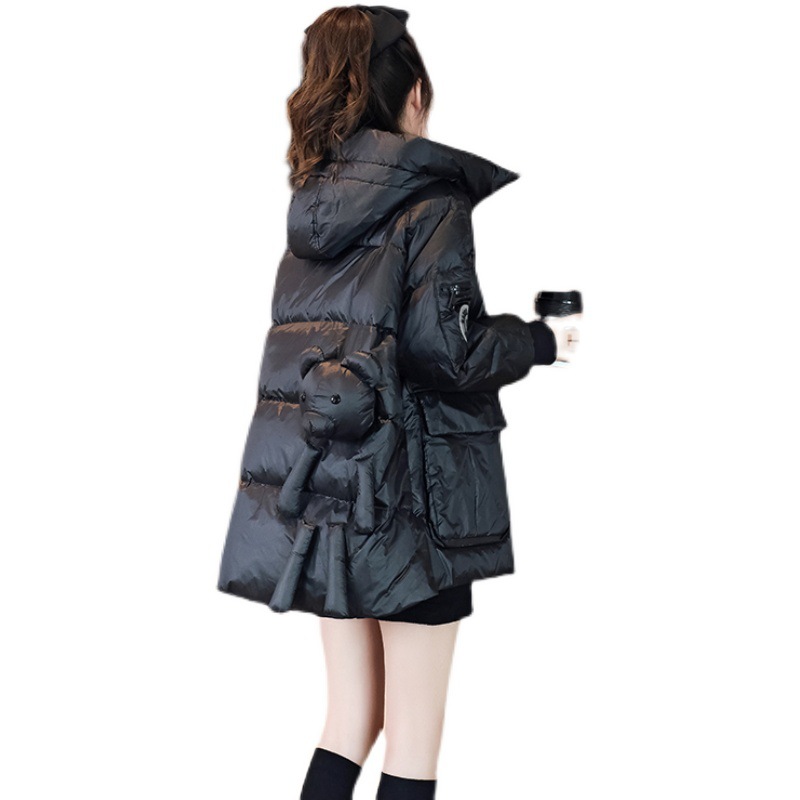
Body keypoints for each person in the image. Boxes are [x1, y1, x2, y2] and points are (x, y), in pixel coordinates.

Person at [216, 6, 579, 799]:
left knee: (349, 718)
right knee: (413, 736)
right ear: (414, 95)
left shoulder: (313, 212)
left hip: (331, 499)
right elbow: (450, 352)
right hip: (415, 501)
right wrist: (539, 340)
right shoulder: (430, 202)